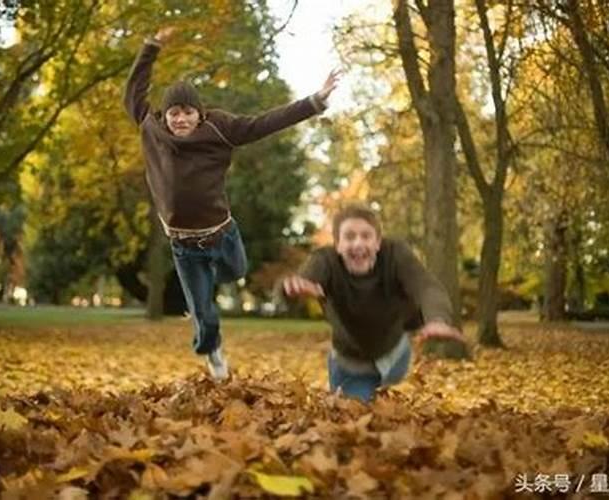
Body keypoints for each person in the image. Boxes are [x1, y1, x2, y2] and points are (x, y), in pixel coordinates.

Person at [124, 26, 340, 380]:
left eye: (188, 112)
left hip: (222, 235)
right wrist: (150, 48)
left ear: (200, 113)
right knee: (204, 315)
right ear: (165, 115)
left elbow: (265, 123)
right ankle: (214, 356)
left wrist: (314, 102)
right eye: (174, 113)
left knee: (236, 272)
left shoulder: (220, 128)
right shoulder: (152, 129)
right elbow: (133, 92)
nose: (180, 119)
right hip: (183, 245)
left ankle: (203, 297)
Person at [283, 203, 466, 401]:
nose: (358, 244)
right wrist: (299, 285)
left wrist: (437, 319)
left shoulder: (395, 254)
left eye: (366, 236)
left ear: (378, 242)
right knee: (354, 417)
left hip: (394, 355)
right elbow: (308, 276)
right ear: (337, 245)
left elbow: (425, 286)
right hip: (351, 364)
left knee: (393, 405)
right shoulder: (326, 260)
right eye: (350, 237)